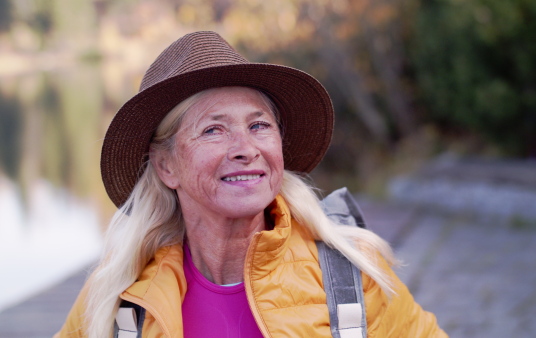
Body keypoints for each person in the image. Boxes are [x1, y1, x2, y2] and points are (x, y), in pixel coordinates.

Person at [55, 31, 446, 337]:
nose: (245, 149)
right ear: (166, 167)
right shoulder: (120, 297)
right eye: (213, 130)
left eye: (259, 125)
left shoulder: (352, 273)